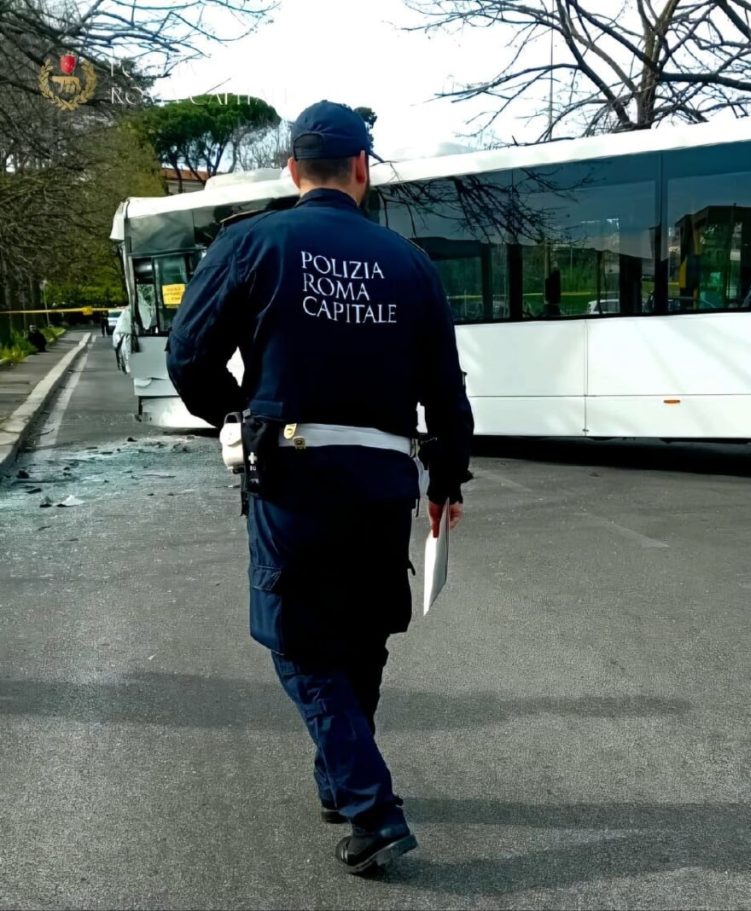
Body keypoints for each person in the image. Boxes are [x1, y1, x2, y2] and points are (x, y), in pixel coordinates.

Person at [166, 100, 473, 876]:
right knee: (361, 633)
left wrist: (233, 414)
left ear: (293, 170)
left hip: (293, 474)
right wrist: (446, 479)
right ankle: (341, 780)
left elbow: (188, 356)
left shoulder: (253, 242)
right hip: (383, 477)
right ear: (362, 170)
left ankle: (372, 809)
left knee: (300, 642)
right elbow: (447, 389)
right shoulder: (410, 263)